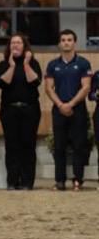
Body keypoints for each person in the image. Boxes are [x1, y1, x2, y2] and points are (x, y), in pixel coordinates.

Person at [45, 29, 92, 192]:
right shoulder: (53, 65)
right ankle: (60, 181)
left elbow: (86, 87)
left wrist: (70, 104)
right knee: (59, 146)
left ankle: (78, 180)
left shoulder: (83, 63)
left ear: (74, 43)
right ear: (59, 43)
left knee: (79, 145)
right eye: (63, 40)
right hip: (59, 109)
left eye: (69, 40)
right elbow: (48, 88)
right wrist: (61, 105)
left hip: (77, 109)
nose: (66, 42)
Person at [0, 33, 42, 191]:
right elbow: (3, 83)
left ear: (25, 46)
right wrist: (12, 66)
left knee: (28, 145)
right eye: (12, 43)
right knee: (11, 145)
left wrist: (26, 64)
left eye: (18, 43)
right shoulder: (3, 64)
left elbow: (34, 81)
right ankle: (12, 181)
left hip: (30, 109)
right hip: (9, 110)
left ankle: (27, 182)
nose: (15, 45)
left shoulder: (33, 63)